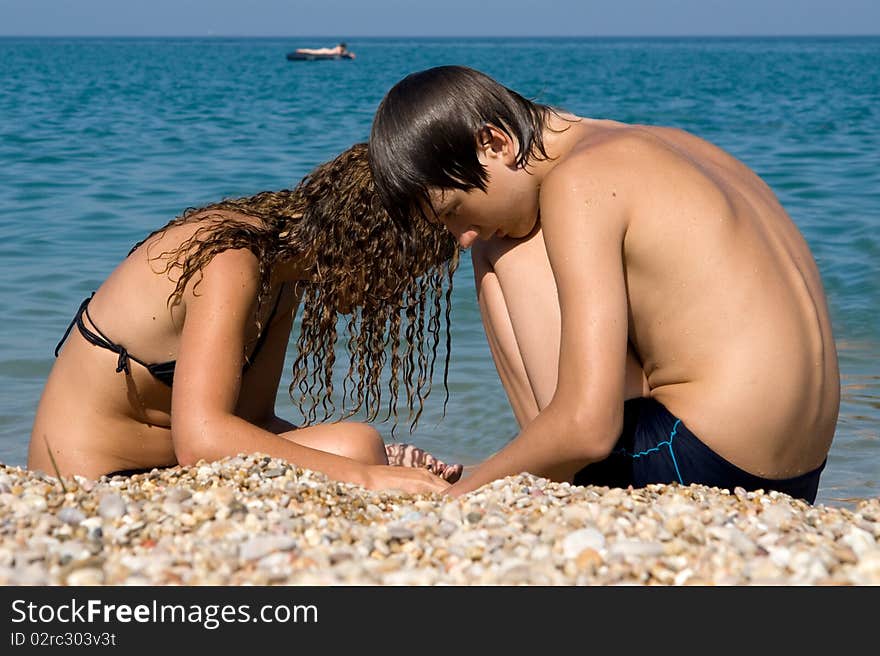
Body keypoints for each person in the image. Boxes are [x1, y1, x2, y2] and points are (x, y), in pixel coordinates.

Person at [368, 65, 840, 504]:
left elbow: (587, 429)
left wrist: (469, 491)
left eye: (453, 211)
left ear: (495, 142)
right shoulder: (674, 145)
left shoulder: (579, 182)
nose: (461, 237)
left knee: (503, 243)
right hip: (800, 479)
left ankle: (555, 484)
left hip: (701, 463)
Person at [29, 143, 461, 493]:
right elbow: (202, 442)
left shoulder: (284, 272)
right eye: (398, 271)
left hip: (167, 470)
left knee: (360, 443)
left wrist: (376, 461)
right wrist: (366, 475)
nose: (392, 292)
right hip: (93, 483)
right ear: (365, 242)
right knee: (358, 449)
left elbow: (252, 424)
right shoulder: (231, 259)